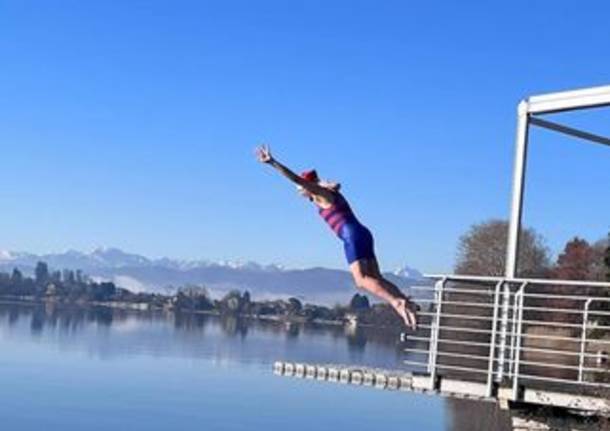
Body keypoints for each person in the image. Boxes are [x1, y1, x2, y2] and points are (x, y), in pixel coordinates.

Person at [255, 145, 417, 329]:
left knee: (361, 280)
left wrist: (272, 163)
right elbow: (318, 185)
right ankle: (405, 303)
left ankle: (397, 302)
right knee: (376, 277)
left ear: (308, 187)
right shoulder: (325, 194)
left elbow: (294, 178)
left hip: (351, 235)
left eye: (301, 189)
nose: (300, 192)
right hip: (362, 233)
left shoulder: (321, 193)